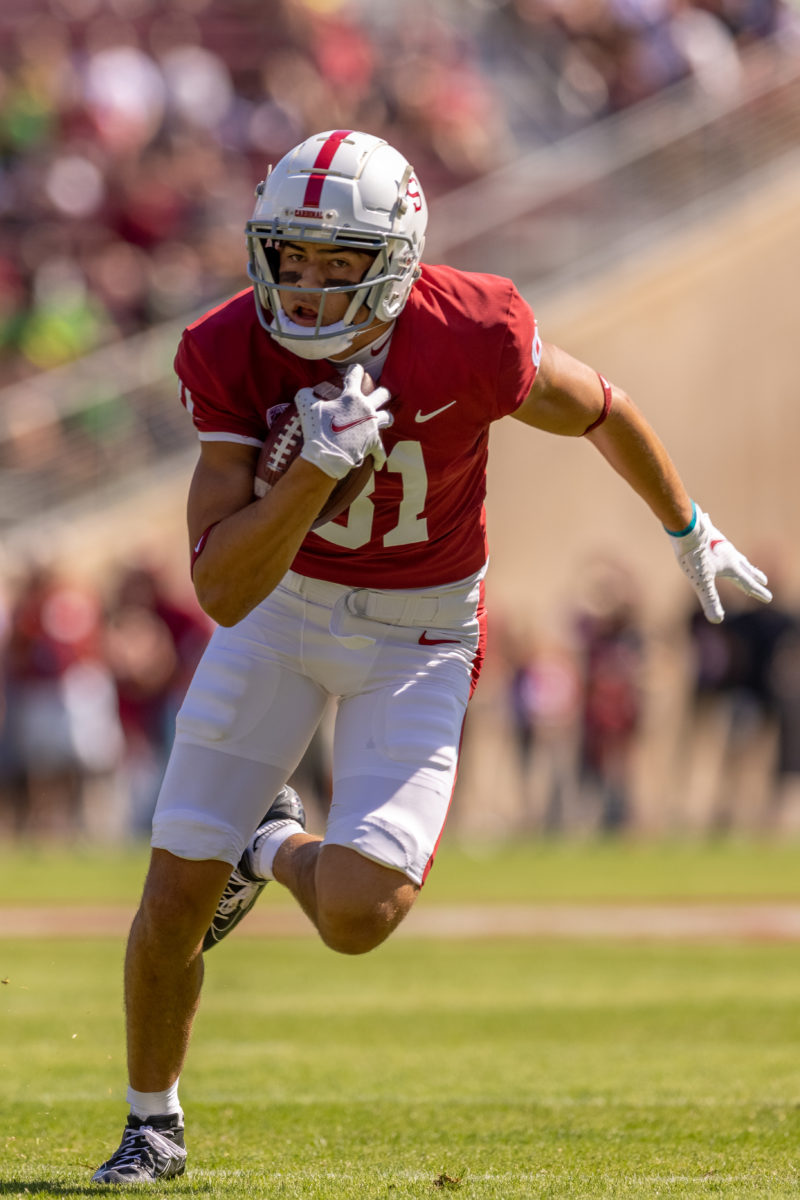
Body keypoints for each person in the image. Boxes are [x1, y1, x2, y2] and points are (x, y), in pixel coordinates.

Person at [91, 128, 772, 1185]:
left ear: (398, 261)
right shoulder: (227, 347)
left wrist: (687, 528)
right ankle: (151, 1124)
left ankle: (266, 848)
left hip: (420, 628)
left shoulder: (471, 332)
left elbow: (601, 407)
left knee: (362, 914)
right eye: (292, 256)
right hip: (279, 613)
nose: (308, 286)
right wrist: (313, 472)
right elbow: (223, 588)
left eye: (339, 261)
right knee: (174, 888)